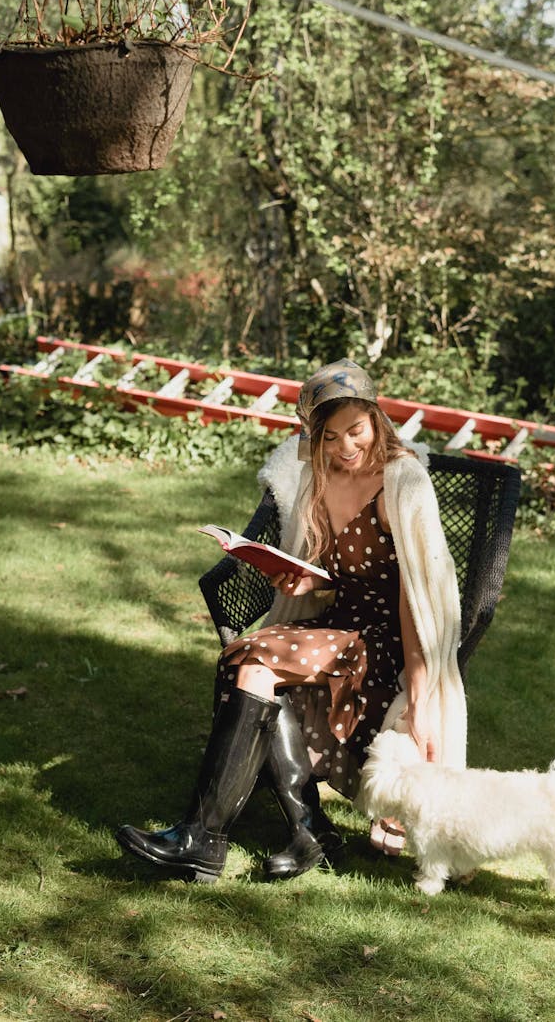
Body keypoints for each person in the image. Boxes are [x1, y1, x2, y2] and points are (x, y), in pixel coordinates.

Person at [116, 359, 467, 883]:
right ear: (315, 438)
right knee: (251, 666)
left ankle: (204, 837)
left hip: (380, 641)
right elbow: (333, 573)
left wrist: (419, 695)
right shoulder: (318, 478)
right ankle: (298, 832)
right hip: (336, 623)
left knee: (254, 656)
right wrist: (305, 582)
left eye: (356, 431)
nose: (346, 447)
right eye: (330, 437)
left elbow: (416, 601)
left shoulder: (402, 483)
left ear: (376, 420)